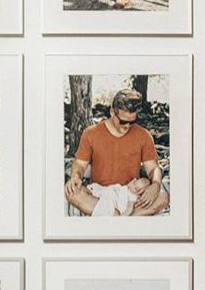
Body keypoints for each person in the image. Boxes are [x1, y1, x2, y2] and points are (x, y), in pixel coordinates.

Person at [64, 89, 169, 218]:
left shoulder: (144, 135)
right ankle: (123, 216)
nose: (127, 126)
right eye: (123, 121)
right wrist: (75, 176)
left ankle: (112, 216)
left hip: (130, 194)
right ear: (112, 112)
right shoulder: (91, 133)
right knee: (71, 192)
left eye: (132, 122)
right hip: (99, 194)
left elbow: (153, 168)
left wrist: (156, 184)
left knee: (163, 197)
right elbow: (79, 164)